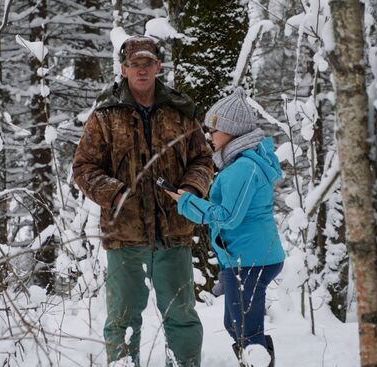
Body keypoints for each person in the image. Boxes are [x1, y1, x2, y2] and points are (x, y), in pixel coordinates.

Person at [72, 36, 214, 366]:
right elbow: (83, 168)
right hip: (124, 235)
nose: (142, 70)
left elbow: (203, 160)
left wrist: (191, 190)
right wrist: (116, 193)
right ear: (123, 69)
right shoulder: (105, 114)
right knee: (122, 321)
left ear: (158, 67)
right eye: (135, 64)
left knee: (181, 316)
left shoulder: (181, 112)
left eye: (148, 63)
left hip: (173, 232)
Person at [166, 88, 285, 366]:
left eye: (214, 129)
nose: (209, 136)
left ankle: (257, 359)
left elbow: (227, 217)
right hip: (242, 259)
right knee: (236, 326)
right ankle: (255, 358)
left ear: (232, 131)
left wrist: (187, 202)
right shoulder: (240, 164)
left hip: (251, 261)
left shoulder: (245, 168)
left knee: (247, 330)